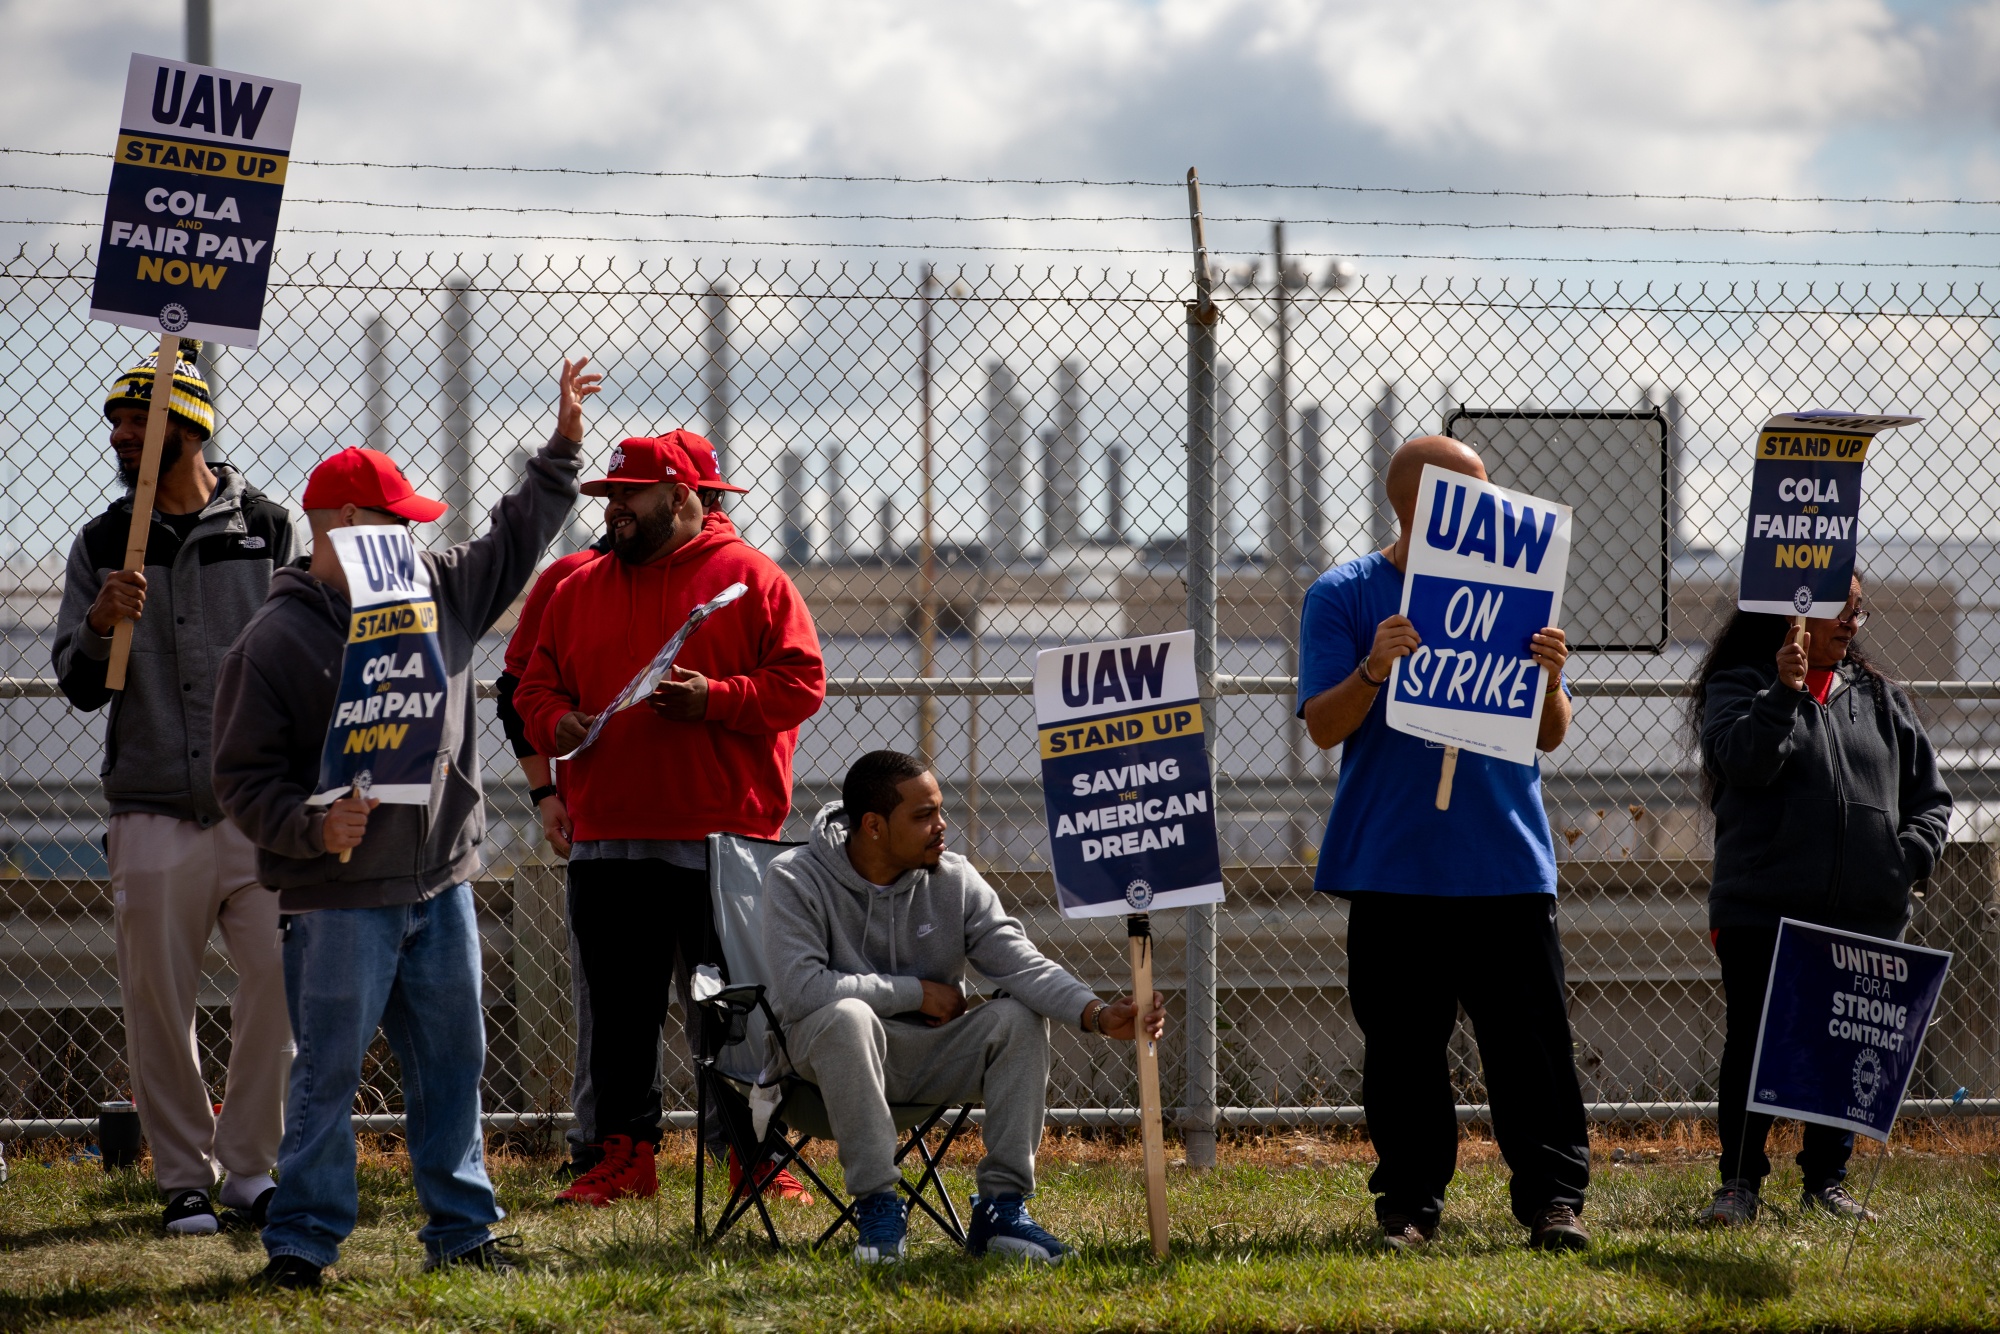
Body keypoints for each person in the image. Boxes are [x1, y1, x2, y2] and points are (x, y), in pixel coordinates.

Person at [210, 357, 600, 1289]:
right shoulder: (270, 642)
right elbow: (242, 780)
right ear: (339, 530)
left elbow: (515, 539)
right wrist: (311, 830)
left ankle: (462, 1232)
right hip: (337, 897)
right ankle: (301, 1244)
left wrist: (562, 452)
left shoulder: (440, 588)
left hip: (440, 883)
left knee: (453, 1064)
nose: (413, 540)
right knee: (327, 1077)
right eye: (395, 524)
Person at [513, 430, 826, 1208]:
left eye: (630, 495)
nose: (614, 509)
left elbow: (801, 685)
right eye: (609, 496)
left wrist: (714, 700)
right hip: (609, 838)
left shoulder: (751, 579)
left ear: (682, 496)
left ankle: (752, 1158)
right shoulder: (578, 587)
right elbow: (531, 688)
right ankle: (624, 1157)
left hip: (723, 838)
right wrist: (556, 726)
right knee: (620, 1012)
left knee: (735, 1010)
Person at [1296, 434, 1591, 1253]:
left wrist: (1550, 680)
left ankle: (1553, 1201)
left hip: (1504, 860)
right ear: (1419, 504)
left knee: (1531, 1047)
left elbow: (1551, 734)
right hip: (1395, 865)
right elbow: (1322, 726)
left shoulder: (1518, 589)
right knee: (1404, 1050)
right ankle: (1411, 1206)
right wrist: (1372, 671)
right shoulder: (1346, 594)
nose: (1493, 509)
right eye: (1474, 493)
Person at [51, 341, 295, 1235]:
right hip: (151, 804)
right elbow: (80, 685)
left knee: (278, 985)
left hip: (258, 808)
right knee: (159, 1003)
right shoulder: (102, 543)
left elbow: (297, 656)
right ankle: (182, 1180)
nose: (117, 433)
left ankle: (251, 1172)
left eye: (135, 418)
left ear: (187, 427)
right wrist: (95, 622)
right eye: (113, 420)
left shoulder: (267, 529)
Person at [763, 750, 1168, 1266]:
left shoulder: (953, 878)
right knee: (848, 1016)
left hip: (928, 1054)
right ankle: (878, 1205)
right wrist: (914, 991)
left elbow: (1018, 961)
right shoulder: (795, 877)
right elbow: (802, 990)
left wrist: (1094, 1013)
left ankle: (1001, 1209)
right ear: (872, 826)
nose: (941, 826)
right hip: (824, 1067)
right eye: (922, 815)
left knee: (1017, 1016)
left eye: (939, 810)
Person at [1692, 574, 1951, 1226]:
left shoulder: (1884, 699)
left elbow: (1931, 800)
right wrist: (1781, 693)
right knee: (1756, 1045)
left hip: (1865, 912)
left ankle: (1826, 1182)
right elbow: (1745, 763)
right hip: (1763, 912)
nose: (1850, 624)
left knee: (1845, 1051)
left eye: (1858, 612)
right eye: (1839, 610)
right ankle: (1740, 1183)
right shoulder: (1737, 687)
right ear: (1790, 613)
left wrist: (1905, 861)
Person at [493, 525, 610, 1182]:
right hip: (604, 819)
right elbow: (519, 694)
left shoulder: (727, 573)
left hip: (707, 821)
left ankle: (739, 1144)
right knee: (606, 992)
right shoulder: (571, 577)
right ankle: (600, 1144)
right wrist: (545, 792)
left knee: (721, 989)